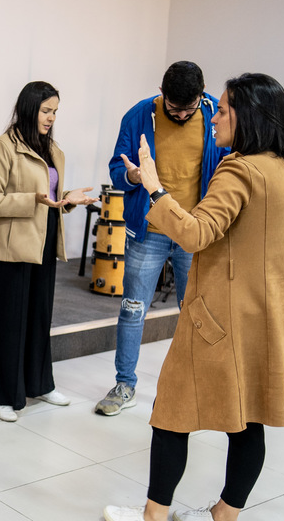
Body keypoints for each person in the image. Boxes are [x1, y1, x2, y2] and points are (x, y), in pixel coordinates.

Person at [103, 73, 284, 521]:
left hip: (218, 317)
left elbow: (198, 233)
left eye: (222, 109)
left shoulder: (239, 169)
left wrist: (157, 191)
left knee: (171, 413)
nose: (214, 116)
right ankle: (223, 519)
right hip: (267, 315)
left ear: (250, 117)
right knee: (250, 419)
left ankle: (153, 519)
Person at [94, 62, 229, 417]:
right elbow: (115, 168)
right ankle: (125, 384)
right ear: (162, 94)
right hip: (149, 230)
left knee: (195, 312)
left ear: (202, 95)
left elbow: (231, 167)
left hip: (195, 232)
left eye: (190, 108)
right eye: (174, 109)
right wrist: (133, 175)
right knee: (132, 310)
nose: (182, 115)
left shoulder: (217, 115)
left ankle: (192, 384)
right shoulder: (139, 115)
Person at [0, 81, 97, 423]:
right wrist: (33, 200)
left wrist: (68, 198)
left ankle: (39, 384)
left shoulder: (52, 149)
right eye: (46, 110)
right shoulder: (1, 148)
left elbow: (51, 196)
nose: (51, 117)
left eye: (55, 111)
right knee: (8, 322)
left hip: (43, 241)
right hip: (9, 247)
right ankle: (1, 396)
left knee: (39, 318)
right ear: (29, 108)